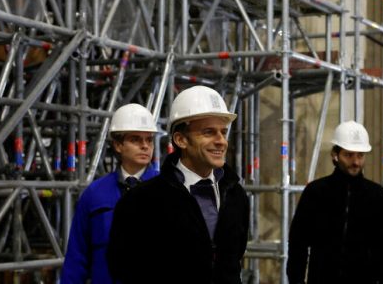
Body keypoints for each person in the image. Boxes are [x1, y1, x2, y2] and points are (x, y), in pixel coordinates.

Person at [107, 85, 250, 284]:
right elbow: (122, 267)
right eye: (209, 132)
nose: (221, 141)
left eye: (223, 132)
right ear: (181, 139)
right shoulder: (141, 201)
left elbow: (235, 257)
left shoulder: (236, 195)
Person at [286, 120, 383, 283]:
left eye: (360, 155)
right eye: (349, 155)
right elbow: (298, 244)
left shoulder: (378, 196)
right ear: (335, 155)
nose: (356, 162)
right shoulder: (315, 193)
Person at [61, 103, 158, 284]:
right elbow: (77, 256)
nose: (145, 146)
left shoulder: (170, 192)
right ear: (118, 145)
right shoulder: (95, 194)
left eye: (149, 140)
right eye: (136, 139)